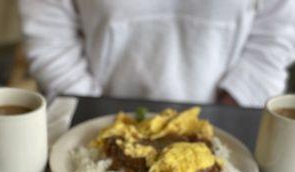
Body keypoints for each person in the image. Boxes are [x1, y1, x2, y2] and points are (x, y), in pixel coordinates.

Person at [18, 0, 295, 107]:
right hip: (92, 116)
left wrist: (229, 115)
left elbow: (278, 32)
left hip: (228, 118)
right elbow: (49, 35)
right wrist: (92, 113)